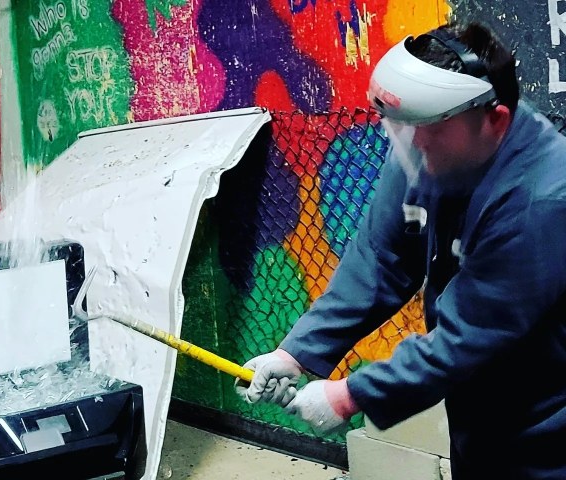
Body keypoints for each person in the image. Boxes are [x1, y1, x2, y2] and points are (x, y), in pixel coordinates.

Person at [235, 20, 566, 479]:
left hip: (547, 425)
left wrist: (349, 395)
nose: (411, 145)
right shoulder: (424, 140)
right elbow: (380, 257)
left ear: (496, 120)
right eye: (402, 127)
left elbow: (465, 339)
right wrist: (295, 354)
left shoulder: (542, 200)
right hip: (479, 410)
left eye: (428, 129)